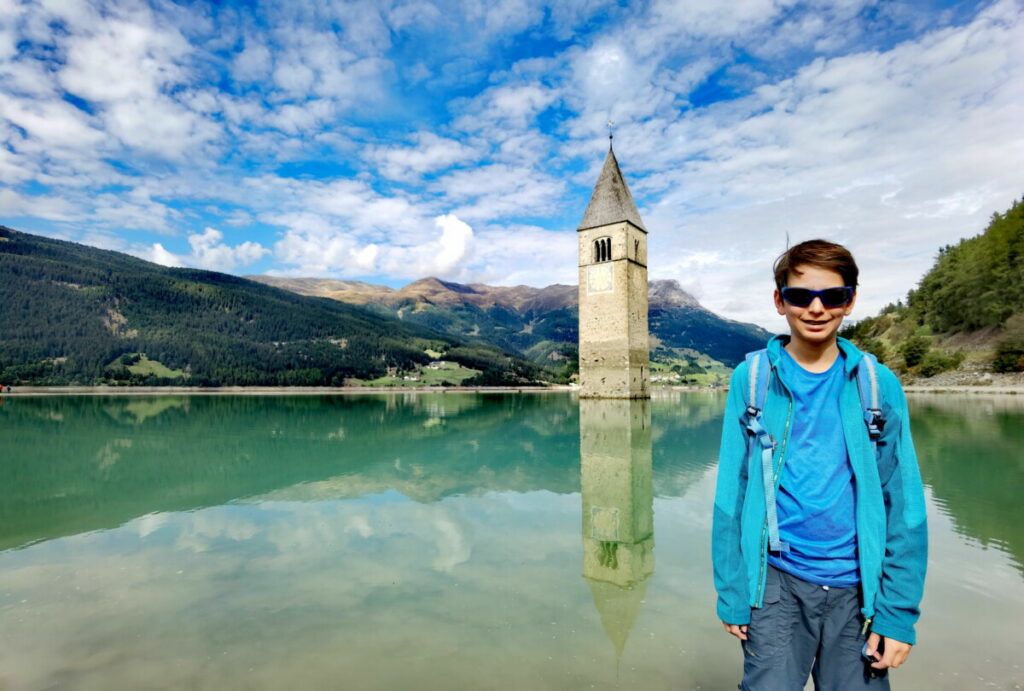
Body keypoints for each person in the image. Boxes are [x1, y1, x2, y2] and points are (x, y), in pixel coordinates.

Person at [711, 240, 927, 689]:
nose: (816, 308)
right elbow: (732, 492)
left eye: (832, 296)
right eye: (799, 295)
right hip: (776, 585)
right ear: (779, 301)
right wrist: (733, 593)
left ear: (849, 300)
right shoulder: (751, 380)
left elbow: (904, 504)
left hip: (859, 590)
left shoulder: (876, 382)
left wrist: (898, 614)